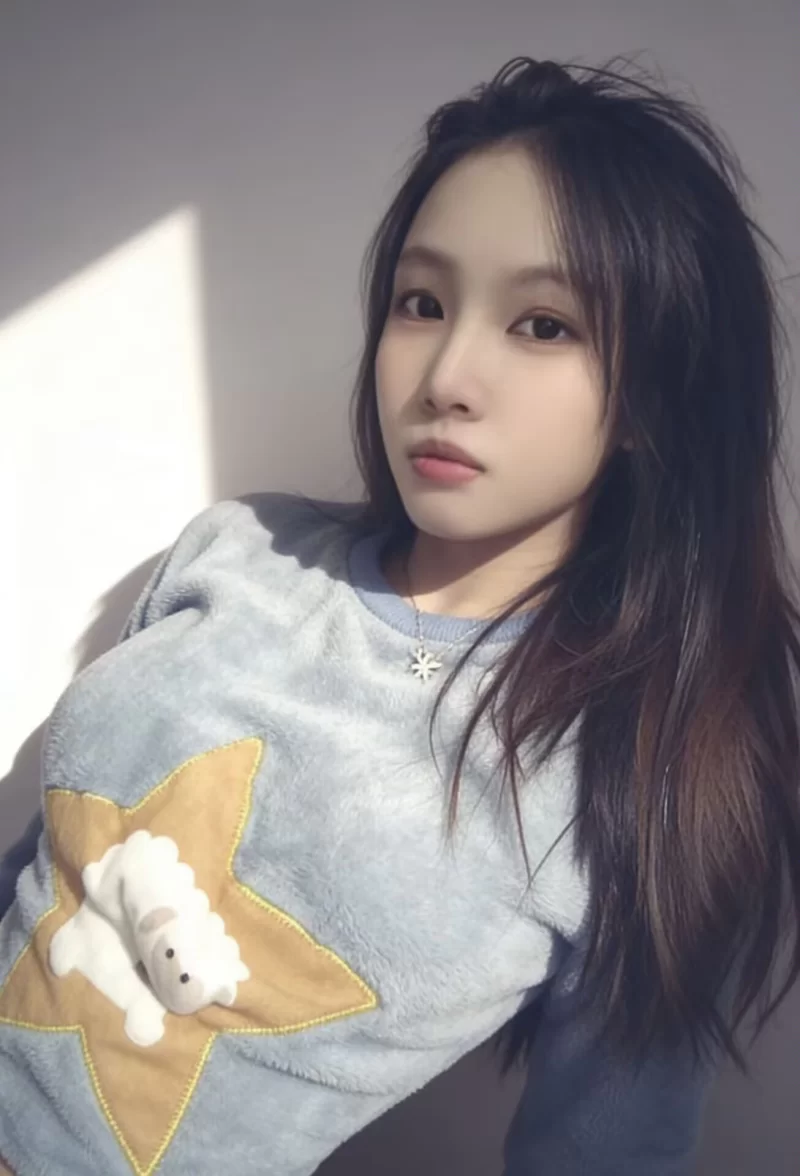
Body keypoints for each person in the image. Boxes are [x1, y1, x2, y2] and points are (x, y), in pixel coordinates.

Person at [1, 53, 799, 1176]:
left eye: (544, 324)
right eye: (422, 303)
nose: (445, 377)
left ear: (654, 397)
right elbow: (50, 867)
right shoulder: (237, 547)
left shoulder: (640, 773)